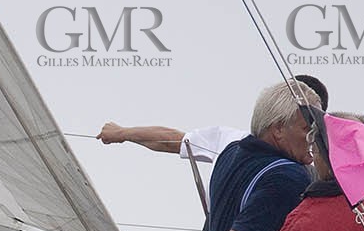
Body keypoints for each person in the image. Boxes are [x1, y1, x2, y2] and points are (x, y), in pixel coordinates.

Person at [96, 75, 329, 210]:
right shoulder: (234, 142)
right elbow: (173, 141)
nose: (309, 135)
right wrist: (122, 133)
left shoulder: (321, 171)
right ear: (278, 121)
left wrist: (122, 133)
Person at [198, 80, 320, 231]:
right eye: (308, 128)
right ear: (278, 130)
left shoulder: (230, 153)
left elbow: (213, 228)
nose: (315, 137)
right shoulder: (289, 177)